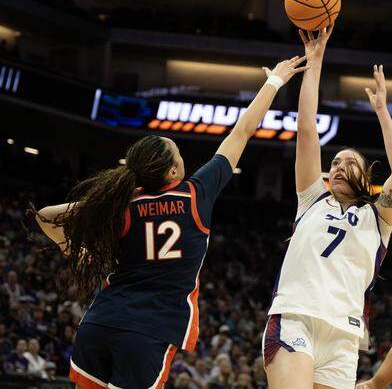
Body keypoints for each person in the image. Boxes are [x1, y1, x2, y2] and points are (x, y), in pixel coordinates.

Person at [33, 55, 308, 389]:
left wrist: (75, 253)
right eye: (179, 154)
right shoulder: (196, 193)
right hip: (150, 330)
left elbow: (46, 216)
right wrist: (274, 82)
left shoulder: (121, 203)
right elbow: (243, 130)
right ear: (173, 172)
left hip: (99, 323)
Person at [263, 26, 392, 388]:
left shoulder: (378, 220)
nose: (339, 166)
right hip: (296, 317)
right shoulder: (312, 198)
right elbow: (307, 128)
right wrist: (315, 62)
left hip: (344, 336)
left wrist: (381, 110)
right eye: (336, 163)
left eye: (350, 163)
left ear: (365, 177)